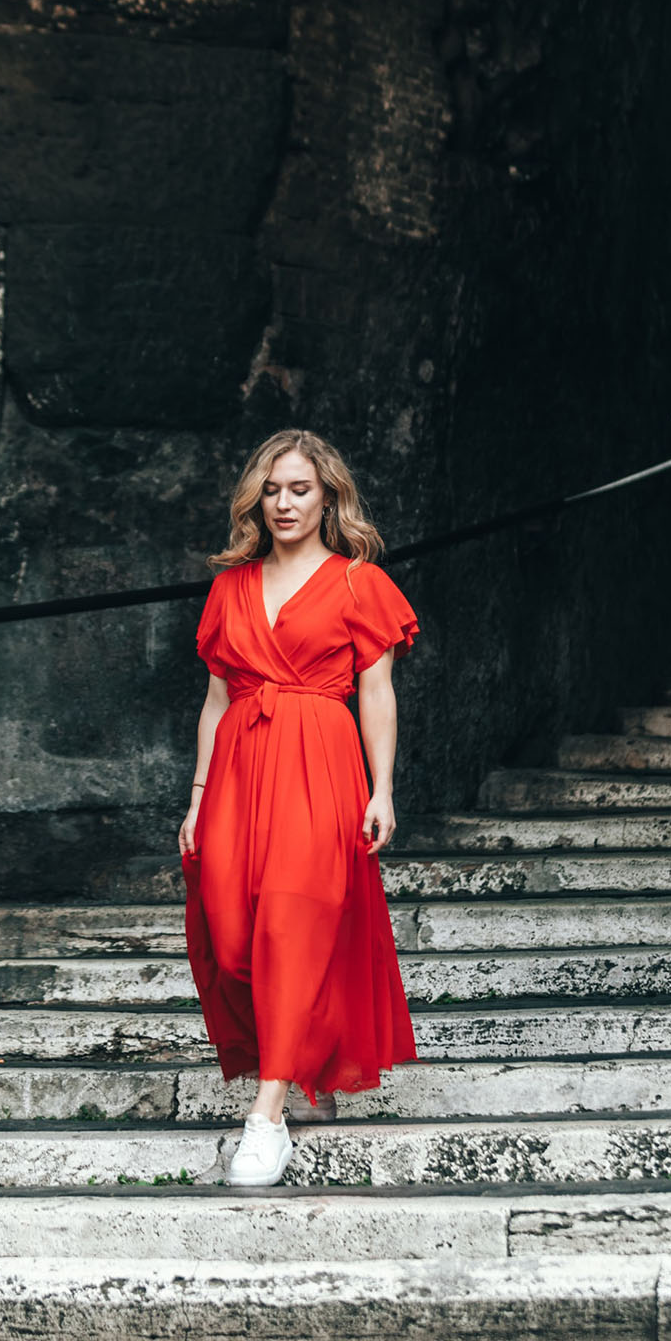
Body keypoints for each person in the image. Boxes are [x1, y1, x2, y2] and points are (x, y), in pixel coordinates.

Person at [178, 429, 420, 1186]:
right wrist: (196, 795)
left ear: (328, 498)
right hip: (240, 769)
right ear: (258, 499)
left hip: (320, 761)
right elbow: (216, 699)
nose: (284, 503)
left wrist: (382, 788)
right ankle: (297, 1053)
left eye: (300, 490)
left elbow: (376, 693)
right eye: (273, 490)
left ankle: (269, 1115)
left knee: (294, 924)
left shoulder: (358, 585)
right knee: (231, 939)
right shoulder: (231, 588)